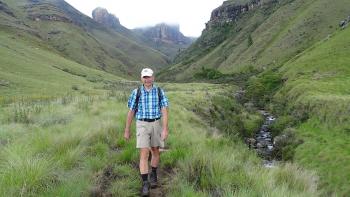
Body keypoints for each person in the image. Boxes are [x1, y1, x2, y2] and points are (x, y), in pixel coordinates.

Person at [124, 68, 169, 196]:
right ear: (141, 78)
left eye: (149, 77)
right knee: (143, 153)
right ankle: (145, 183)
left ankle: (153, 173)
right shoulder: (136, 92)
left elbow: (164, 110)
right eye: (144, 77)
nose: (147, 79)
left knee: (155, 150)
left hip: (156, 123)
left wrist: (165, 128)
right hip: (142, 124)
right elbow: (131, 111)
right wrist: (127, 129)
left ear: (153, 78)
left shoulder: (159, 91)